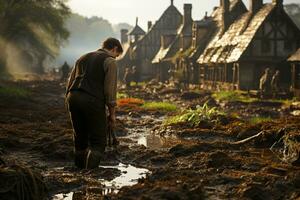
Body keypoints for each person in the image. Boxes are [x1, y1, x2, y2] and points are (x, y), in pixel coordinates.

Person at [65, 38, 123, 169]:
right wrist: (112, 115)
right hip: (92, 99)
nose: (116, 58)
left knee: (80, 139)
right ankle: (89, 175)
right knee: (98, 141)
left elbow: (70, 82)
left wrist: (68, 100)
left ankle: (79, 172)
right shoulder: (110, 61)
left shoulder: (82, 58)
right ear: (114, 49)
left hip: (72, 97)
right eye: (117, 55)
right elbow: (110, 90)